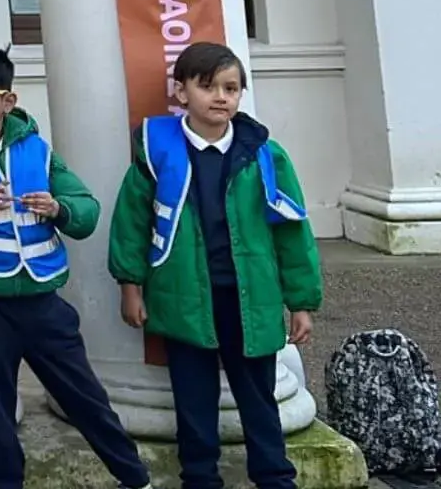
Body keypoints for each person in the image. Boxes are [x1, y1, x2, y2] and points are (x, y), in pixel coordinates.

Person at [0, 42, 151, 489]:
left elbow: (87, 211)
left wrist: (59, 208)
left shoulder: (36, 150)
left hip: (42, 303)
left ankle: (136, 479)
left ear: (8, 100)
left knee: (87, 399)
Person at [108, 42, 319, 489]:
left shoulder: (264, 154)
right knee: (193, 397)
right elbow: (131, 220)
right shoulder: (157, 151)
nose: (220, 97)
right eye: (207, 87)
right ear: (182, 93)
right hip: (184, 297)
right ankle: (200, 478)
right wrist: (130, 284)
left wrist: (300, 300)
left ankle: (274, 475)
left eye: (231, 88)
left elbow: (291, 229)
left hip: (251, 298)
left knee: (258, 396)